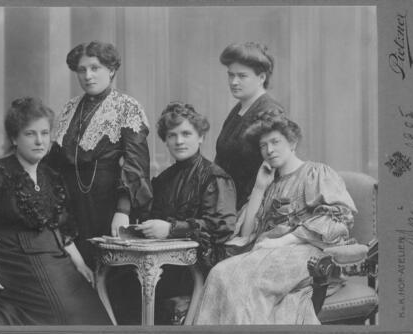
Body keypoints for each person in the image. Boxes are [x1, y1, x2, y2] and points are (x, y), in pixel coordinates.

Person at [0, 97, 111, 325]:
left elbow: (61, 226)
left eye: (44, 133)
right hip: (14, 263)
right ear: (14, 138)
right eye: (30, 134)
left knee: (87, 313)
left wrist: (80, 264)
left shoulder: (50, 177)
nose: (39, 141)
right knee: (56, 313)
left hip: (54, 259)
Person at [194, 116, 357, 324]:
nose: (269, 150)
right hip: (268, 253)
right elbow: (246, 234)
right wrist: (259, 188)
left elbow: (339, 220)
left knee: (243, 281)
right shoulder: (270, 183)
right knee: (219, 273)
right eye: (263, 145)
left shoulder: (315, 173)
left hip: (306, 254)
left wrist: (283, 241)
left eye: (275, 142)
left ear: (292, 142)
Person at [45, 41, 153, 261]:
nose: (88, 75)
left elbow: (136, 164)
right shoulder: (69, 108)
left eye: (95, 68)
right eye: (82, 70)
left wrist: (122, 210)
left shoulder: (126, 107)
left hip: (109, 205)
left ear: (111, 70)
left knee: (110, 270)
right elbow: (54, 160)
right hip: (73, 205)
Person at [136, 102, 237, 324]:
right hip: (165, 265)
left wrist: (171, 229)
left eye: (186, 133)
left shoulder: (214, 177)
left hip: (202, 266)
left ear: (200, 137)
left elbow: (221, 226)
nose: (179, 141)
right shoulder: (163, 180)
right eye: (172, 135)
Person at [215, 42, 285, 210]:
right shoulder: (238, 109)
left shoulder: (271, 112)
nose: (234, 82)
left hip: (253, 206)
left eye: (242, 76)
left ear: (261, 78)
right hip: (227, 203)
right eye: (230, 75)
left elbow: (273, 171)